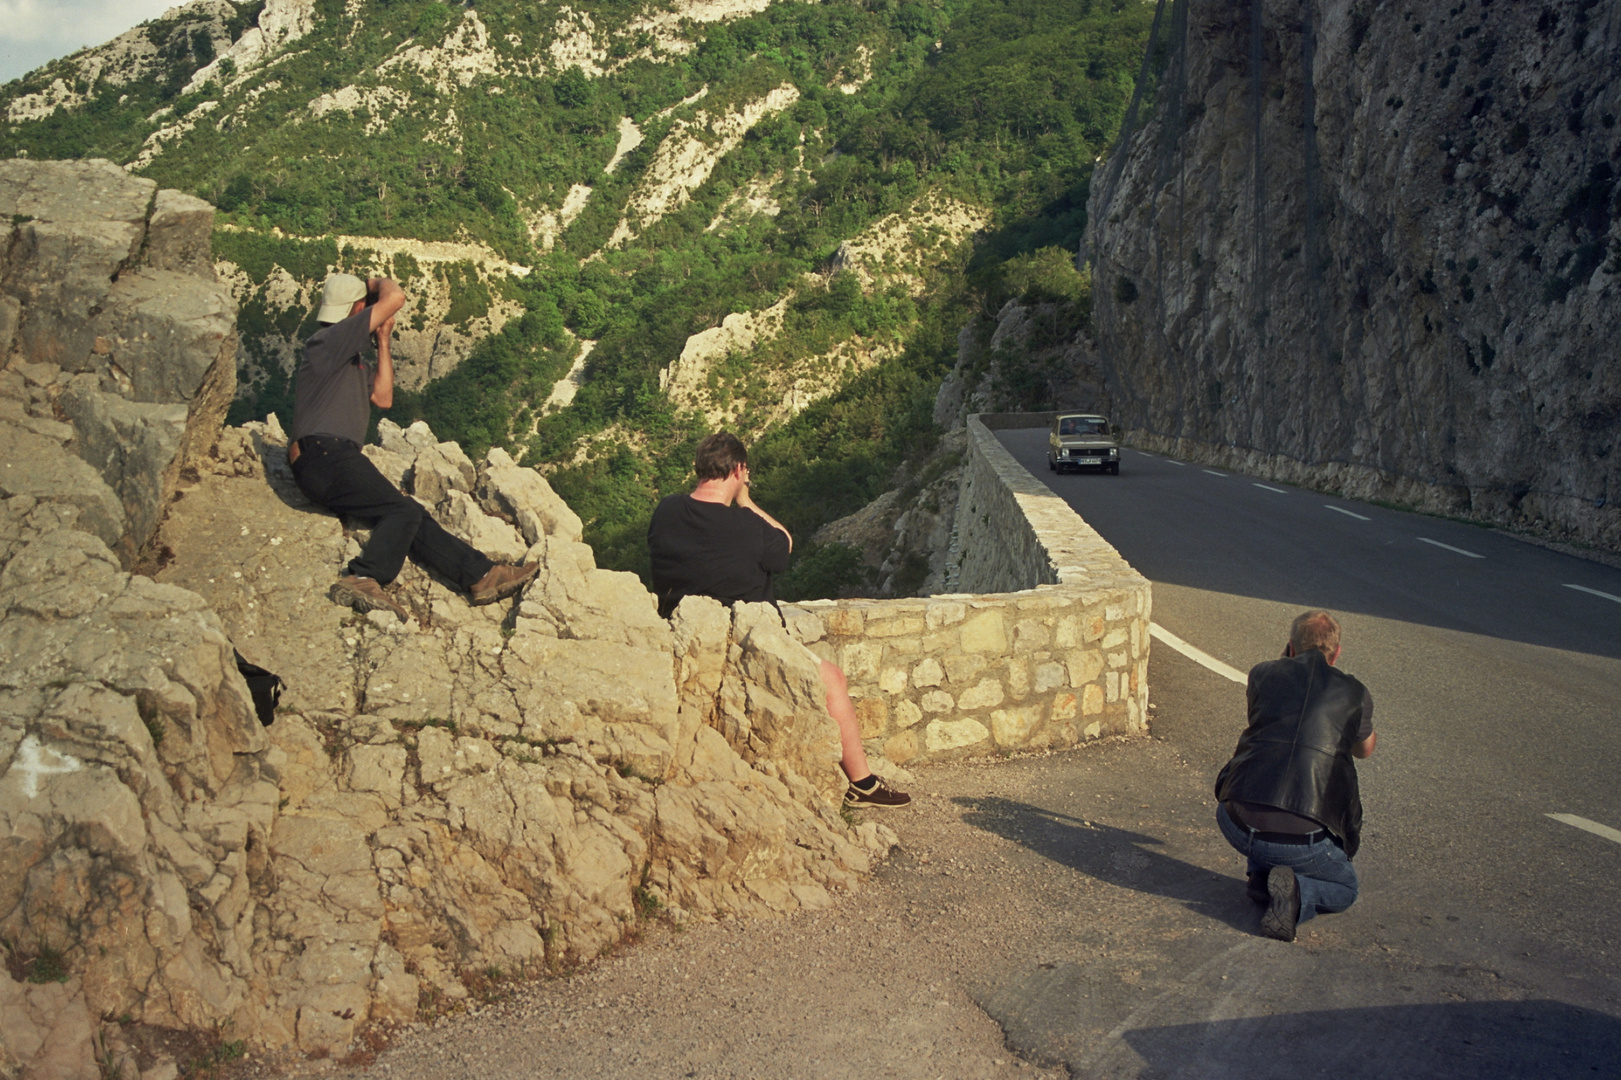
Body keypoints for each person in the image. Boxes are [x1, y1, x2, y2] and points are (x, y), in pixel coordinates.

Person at [647, 432, 911, 809]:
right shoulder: (749, 528)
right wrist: (747, 500)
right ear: (739, 470)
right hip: (747, 643)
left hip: (682, 636)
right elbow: (784, 544)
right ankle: (862, 784)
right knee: (832, 678)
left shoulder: (667, 511)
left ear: (700, 469)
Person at [288, 272, 537, 621]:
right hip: (326, 456)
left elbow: (383, 397)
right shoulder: (329, 339)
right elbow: (396, 297)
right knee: (402, 511)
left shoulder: (346, 356)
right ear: (358, 307)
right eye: (367, 308)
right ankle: (363, 575)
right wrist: (376, 284)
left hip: (330, 461)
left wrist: (384, 341)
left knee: (409, 515)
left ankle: (481, 576)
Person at [1214, 610, 1377, 941]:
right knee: (1345, 888)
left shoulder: (1261, 675)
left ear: (1289, 647)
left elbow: (1266, 717)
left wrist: (1285, 662)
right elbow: (1365, 750)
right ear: (1338, 652)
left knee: (1270, 769)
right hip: (1301, 843)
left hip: (1235, 821)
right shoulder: (1355, 692)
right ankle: (1299, 893)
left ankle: (1262, 875)